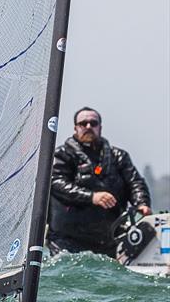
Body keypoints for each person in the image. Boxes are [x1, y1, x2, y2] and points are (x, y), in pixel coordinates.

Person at [47, 107, 151, 257]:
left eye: (93, 123)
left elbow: (135, 183)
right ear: (76, 128)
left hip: (109, 240)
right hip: (67, 242)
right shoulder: (62, 155)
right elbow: (56, 182)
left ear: (100, 127)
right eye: (83, 123)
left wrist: (142, 203)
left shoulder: (119, 156)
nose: (88, 127)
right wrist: (92, 197)